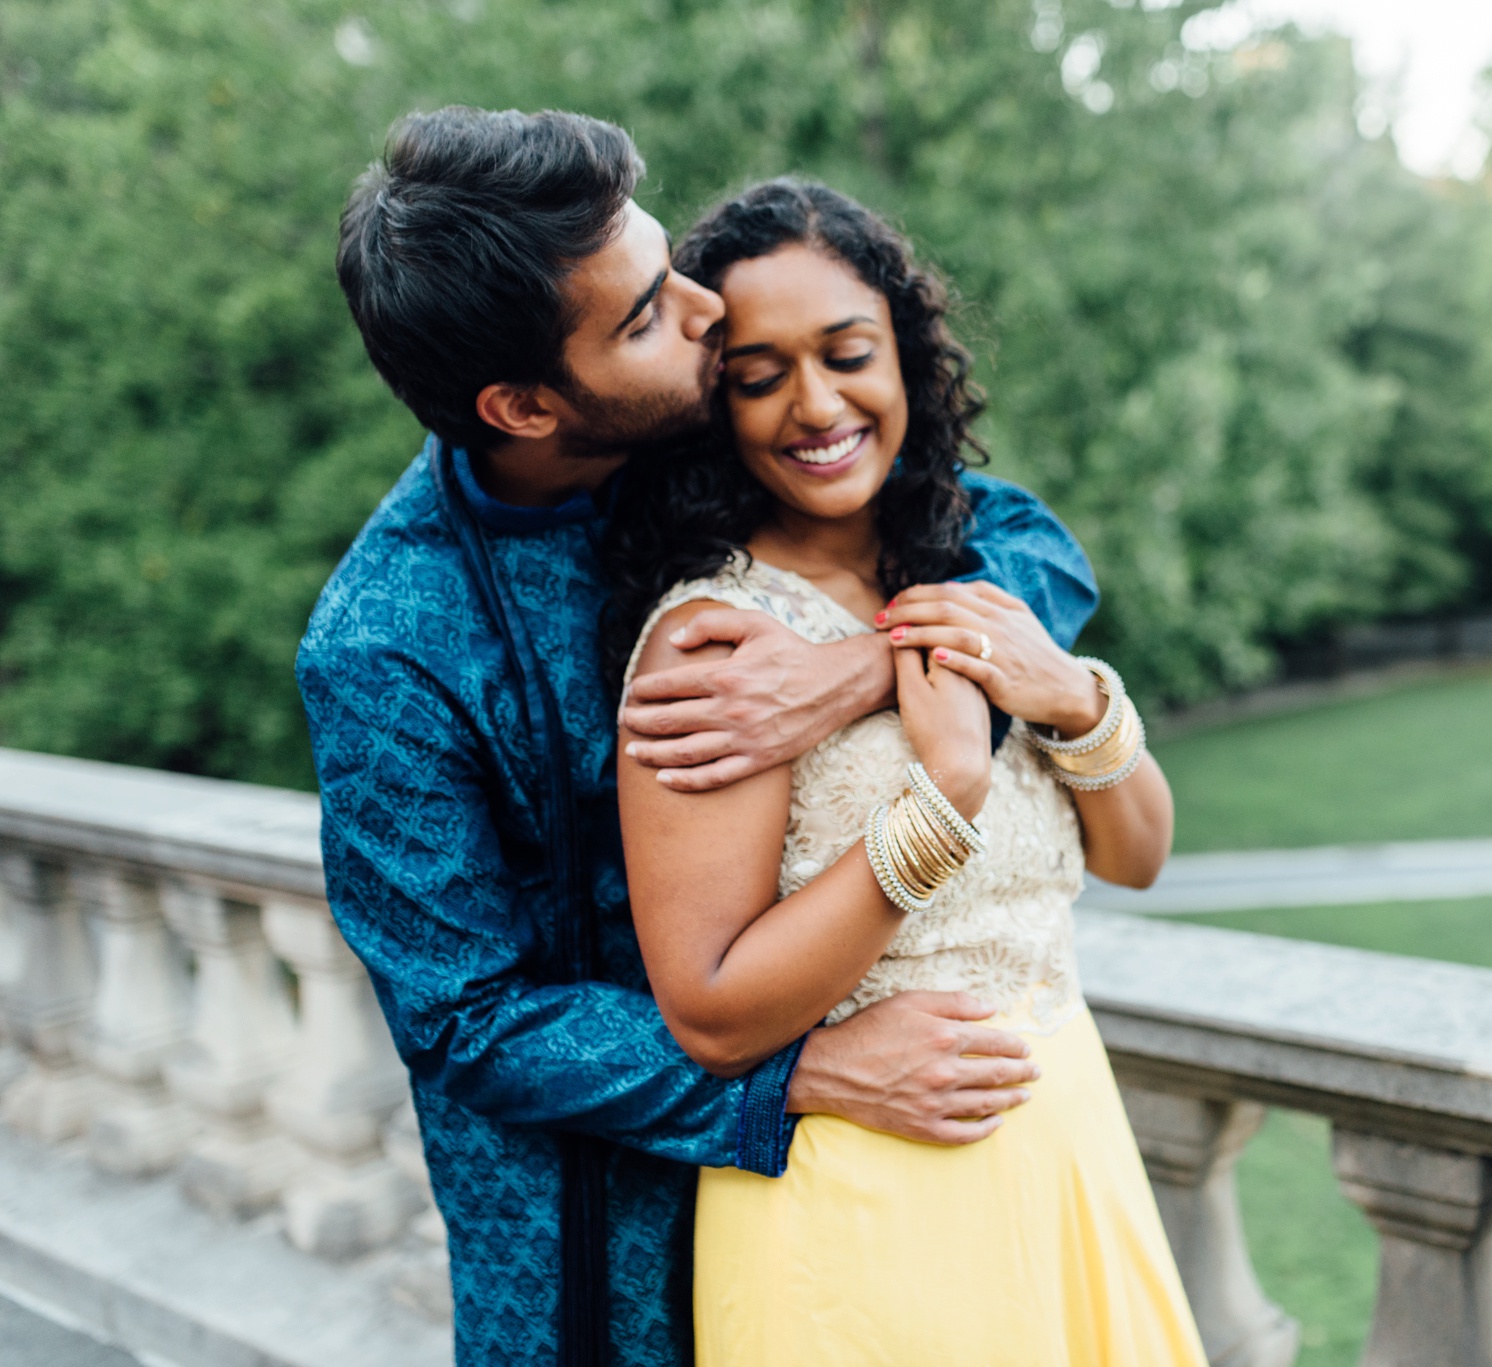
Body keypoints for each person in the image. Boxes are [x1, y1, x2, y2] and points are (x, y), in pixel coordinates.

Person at [298, 107, 1099, 1366]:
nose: (701, 311)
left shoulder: (696, 436)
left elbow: (1022, 540)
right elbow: (462, 1017)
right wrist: (795, 1073)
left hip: (859, 1195)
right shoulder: (389, 648)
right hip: (595, 1242)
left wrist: (857, 672)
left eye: (666, 264)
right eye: (640, 316)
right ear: (519, 404)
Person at [607, 179, 1205, 1364]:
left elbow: (1136, 853)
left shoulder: (973, 572)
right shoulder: (715, 643)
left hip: (1066, 1148)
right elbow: (711, 1013)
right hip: (865, 1209)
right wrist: (940, 804)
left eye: (846, 354)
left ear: (907, 361)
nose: (816, 404)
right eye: (761, 373)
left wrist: (1069, 696)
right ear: (714, 404)